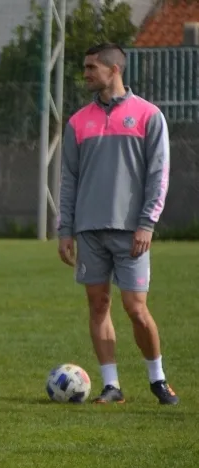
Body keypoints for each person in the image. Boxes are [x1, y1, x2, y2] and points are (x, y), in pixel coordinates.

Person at [57, 43, 178, 405]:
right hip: (89, 229)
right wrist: (66, 229)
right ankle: (112, 386)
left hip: (132, 231)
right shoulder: (78, 121)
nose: (86, 73)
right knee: (97, 306)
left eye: (92, 67)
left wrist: (147, 223)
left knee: (136, 308)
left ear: (114, 70)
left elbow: (159, 174)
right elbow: (69, 179)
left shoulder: (148, 115)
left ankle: (157, 378)